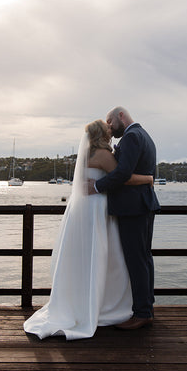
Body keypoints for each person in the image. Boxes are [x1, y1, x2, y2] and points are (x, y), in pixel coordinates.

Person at [23, 119, 153, 340]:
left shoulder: (85, 154)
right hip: (97, 208)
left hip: (80, 209)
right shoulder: (103, 155)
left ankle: (81, 302)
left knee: (83, 258)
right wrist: (149, 178)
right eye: (109, 132)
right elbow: (124, 178)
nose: (112, 135)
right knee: (107, 257)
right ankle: (107, 305)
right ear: (102, 135)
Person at [89, 106, 160, 330]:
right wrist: (148, 179)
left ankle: (142, 313)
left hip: (133, 208)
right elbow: (147, 173)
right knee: (145, 258)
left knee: (137, 260)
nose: (109, 128)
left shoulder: (130, 137)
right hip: (144, 205)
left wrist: (97, 186)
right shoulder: (145, 136)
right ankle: (147, 306)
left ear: (121, 116)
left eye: (110, 122)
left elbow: (123, 174)